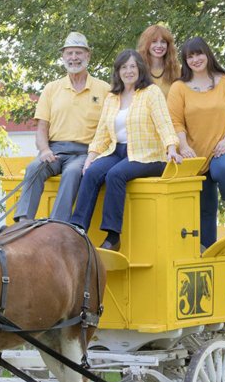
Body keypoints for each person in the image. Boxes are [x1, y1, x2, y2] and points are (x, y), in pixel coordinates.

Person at [70, 49, 182, 252]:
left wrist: (171, 147)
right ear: (118, 71)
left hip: (148, 154)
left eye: (133, 66)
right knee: (92, 172)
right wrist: (91, 157)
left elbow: (164, 123)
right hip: (117, 151)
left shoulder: (151, 92)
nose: (129, 71)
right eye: (124, 67)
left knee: (115, 175)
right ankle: (77, 229)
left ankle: (113, 237)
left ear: (140, 69)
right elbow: (103, 132)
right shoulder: (112, 97)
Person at [11, 32, 111, 224]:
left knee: (73, 172)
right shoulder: (51, 88)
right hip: (55, 150)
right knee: (34, 167)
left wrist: (95, 154)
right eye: (70, 53)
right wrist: (45, 150)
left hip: (86, 152)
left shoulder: (104, 88)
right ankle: (23, 221)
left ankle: (57, 224)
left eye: (79, 53)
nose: (74, 58)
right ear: (63, 57)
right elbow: (41, 128)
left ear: (88, 56)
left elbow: (109, 128)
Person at [167, 36, 225, 248]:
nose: (195, 59)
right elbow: (175, 122)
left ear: (208, 54)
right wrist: (184, 146)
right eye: (190, 56)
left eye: (199, 54)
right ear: (185, 61)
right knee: (204, 209)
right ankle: (205, 254)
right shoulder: (179, 88)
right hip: (197, 155)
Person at [136, 24, 181, 98]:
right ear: (146, 44)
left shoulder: (177, 70)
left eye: (163, 42)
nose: (159, 45)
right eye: (154, 41)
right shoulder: (137, 70)